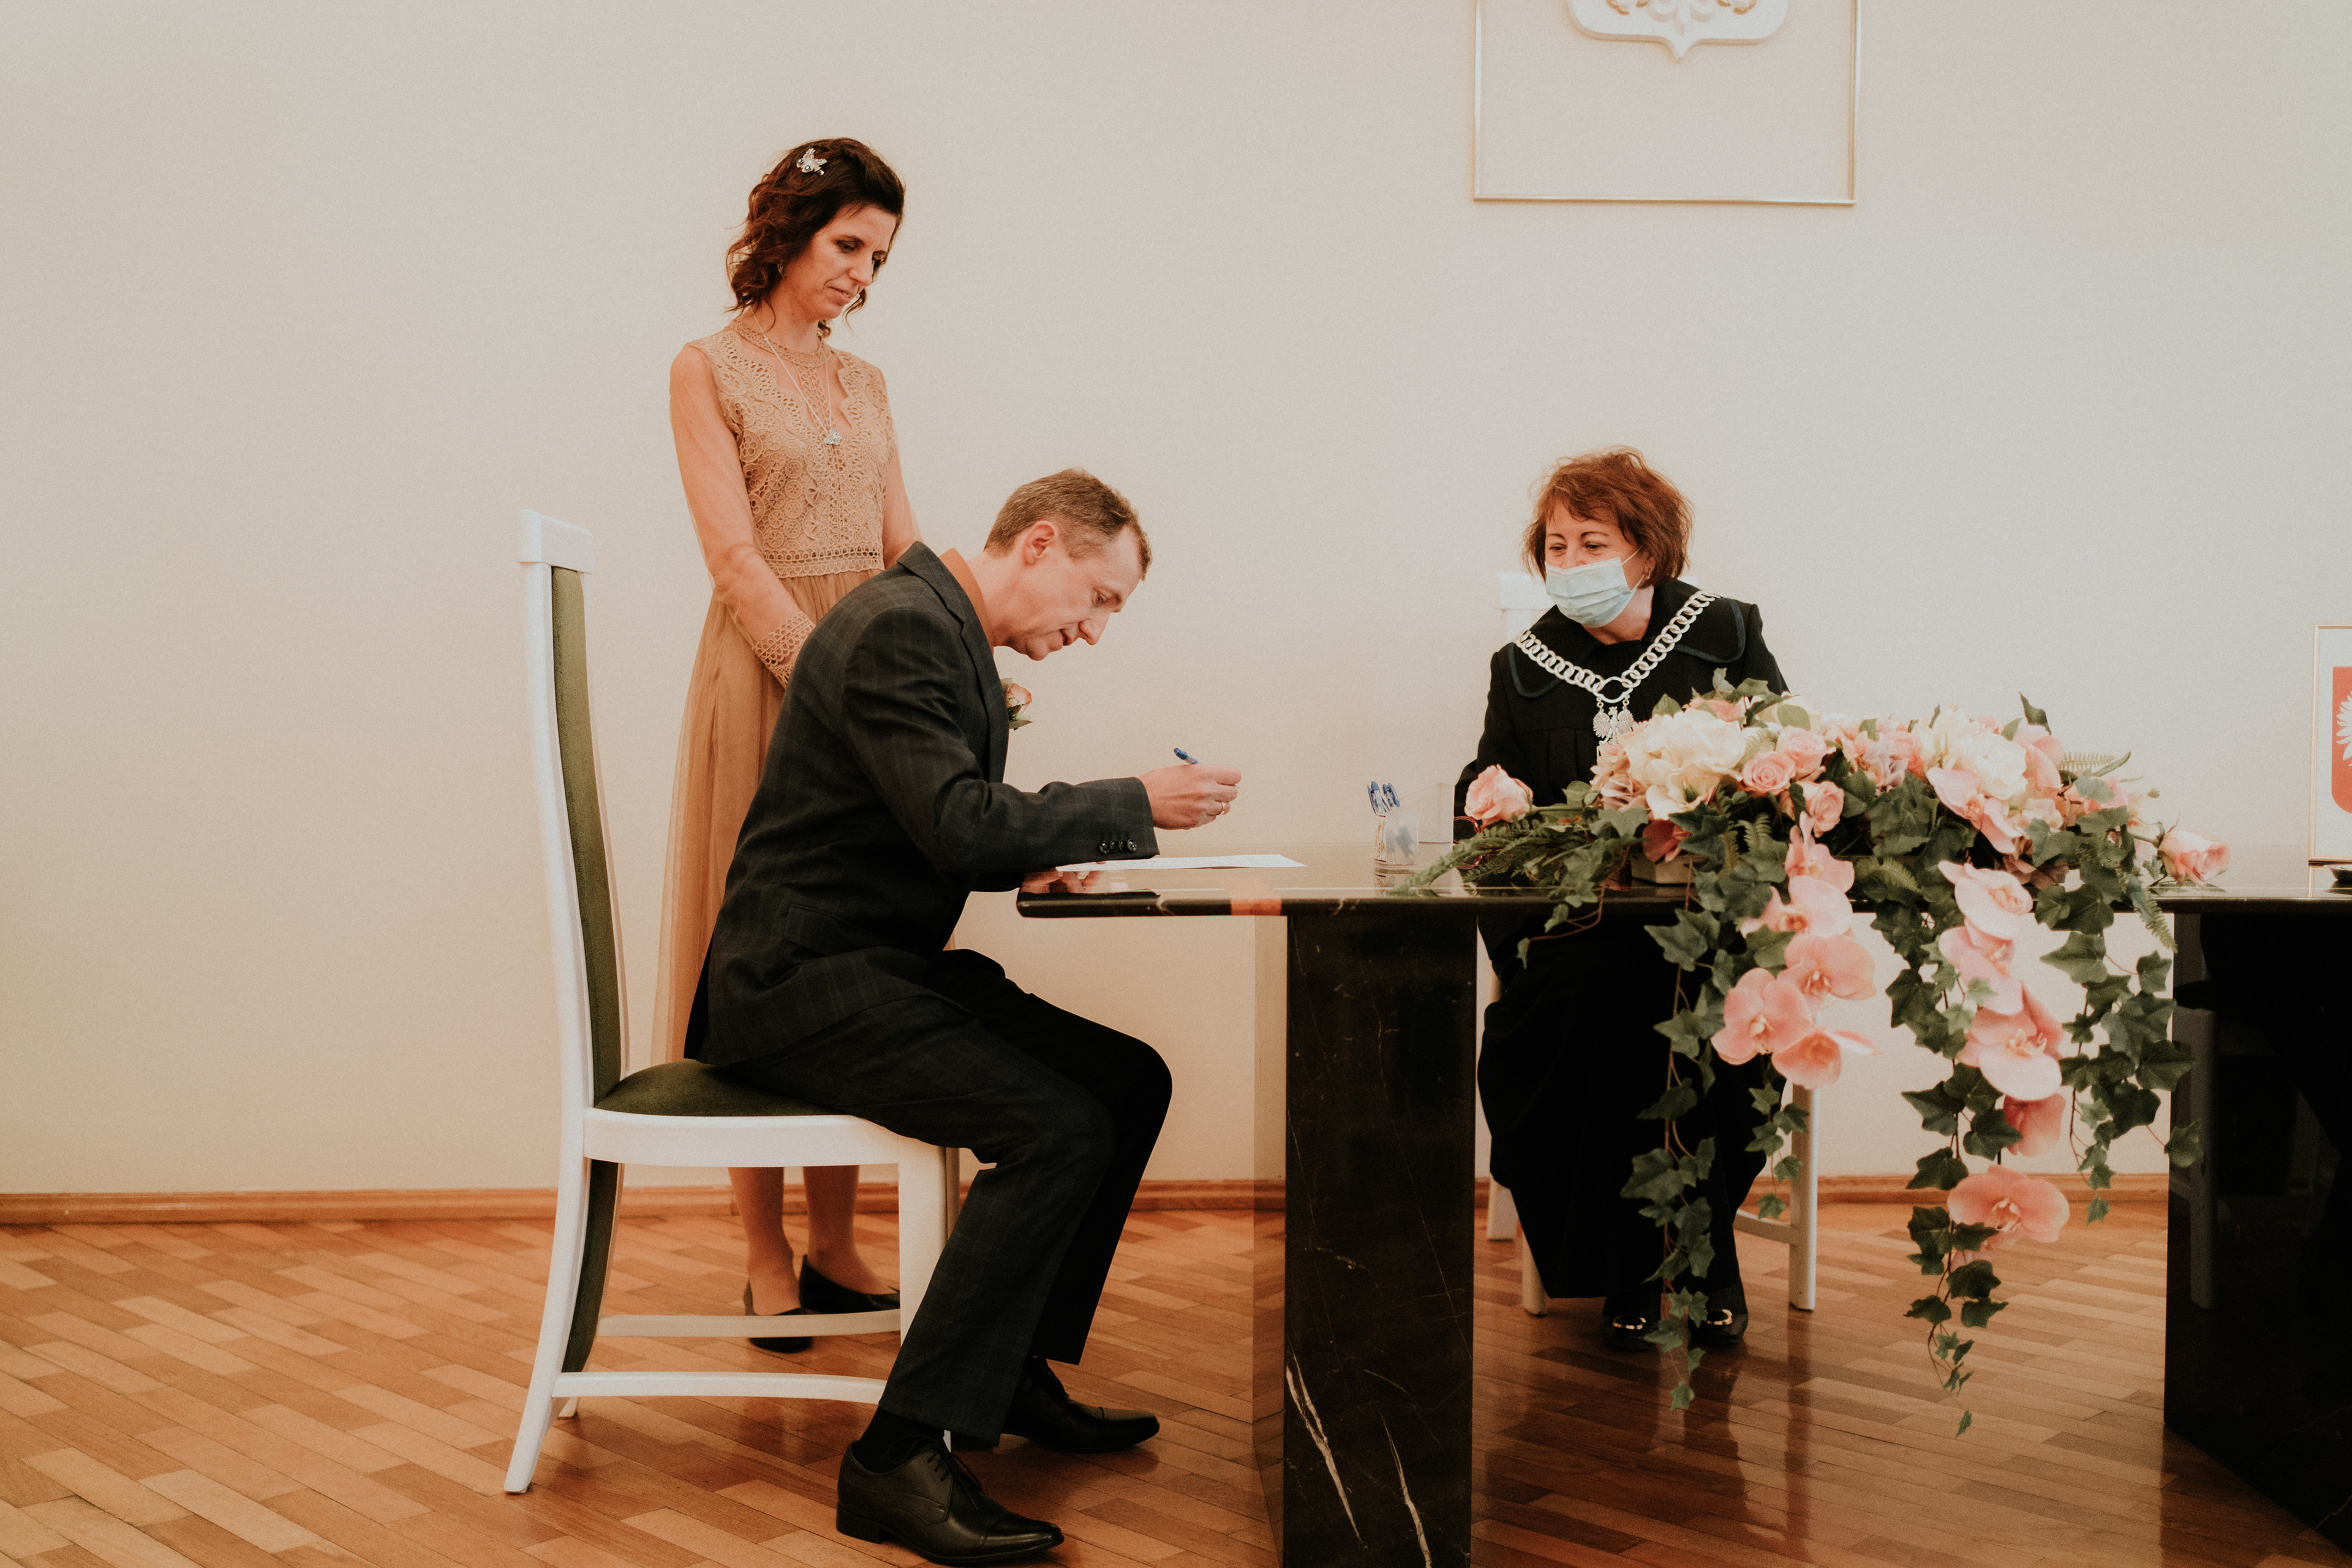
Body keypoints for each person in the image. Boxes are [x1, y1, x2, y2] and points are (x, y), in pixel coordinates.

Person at [687, 470, 1243, 1563]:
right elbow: (956, 824)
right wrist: (1129, 804)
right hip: (798, 983)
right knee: (1058, 1129)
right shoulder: (902, 627)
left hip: (869, 965)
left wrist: (1044, 847)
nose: (1096, 631)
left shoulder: (935, 629)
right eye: (1101, 599)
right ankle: (895, 1457)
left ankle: (1009, 1371)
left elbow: (935, 824)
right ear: (1040, 543)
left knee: (1128, 1081)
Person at [655, 139, 916, 1347]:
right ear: (790, 231)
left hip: (861, 670)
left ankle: (839, 1241)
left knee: (852, 944)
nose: (861, 272)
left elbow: (901, 547)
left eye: (880, 257)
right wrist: (830, 684)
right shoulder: (706, 368)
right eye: (848, 244)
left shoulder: (868, 383)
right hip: (768, 679)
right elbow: (733, 555)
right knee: (754, 945)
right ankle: (764, 1252)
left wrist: (955, 654)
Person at [1456, 448, 1788, 1352]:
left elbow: (1781, 769)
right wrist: (1496, 799)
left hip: (1711, 922)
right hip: (1582, 934)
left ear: (1646, 549)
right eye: (1556, 546)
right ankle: (1629, 1265)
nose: (1570, 563)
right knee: (1595, 1007)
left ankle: (1705, 1252)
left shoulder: (1726, 632)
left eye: (1591, 543)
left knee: (1715, 1007)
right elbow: (1486, 798)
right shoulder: (1521, 667)